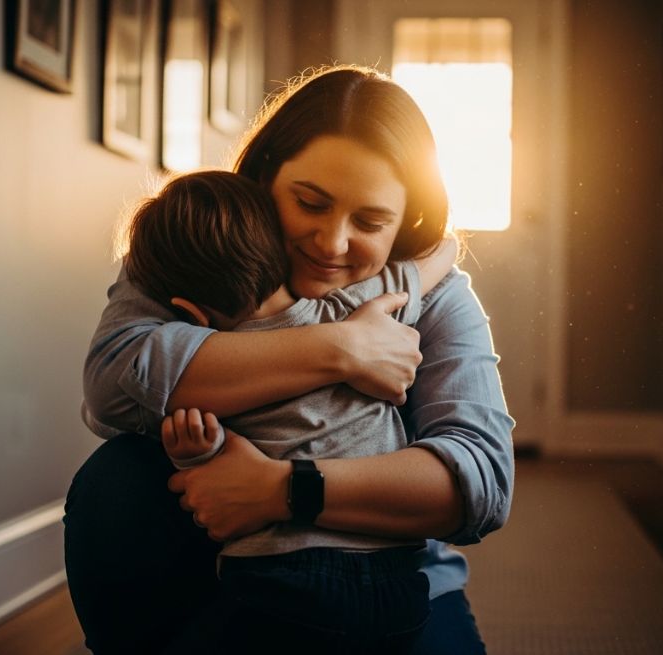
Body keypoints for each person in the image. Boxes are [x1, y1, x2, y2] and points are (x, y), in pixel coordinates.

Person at [65, 64, 515, 655]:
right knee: (116, 478)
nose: (331, 244)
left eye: (371, 221)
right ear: (265, 176)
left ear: (406, 222)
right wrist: (342, 348)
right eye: (309, 202)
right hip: (215, 557)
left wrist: (285, 489)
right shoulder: (198, 243)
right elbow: (111, 387)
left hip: (380, 569)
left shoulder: (430, 295)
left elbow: (482, 481)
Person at [120, 168, 457, 651]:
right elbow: (435, 258)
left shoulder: (211, 367)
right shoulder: (351, 308)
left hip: (279, 577)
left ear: (189, 313)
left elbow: (218, 459)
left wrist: (196, 449)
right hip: (394, 581)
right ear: (282, 251)